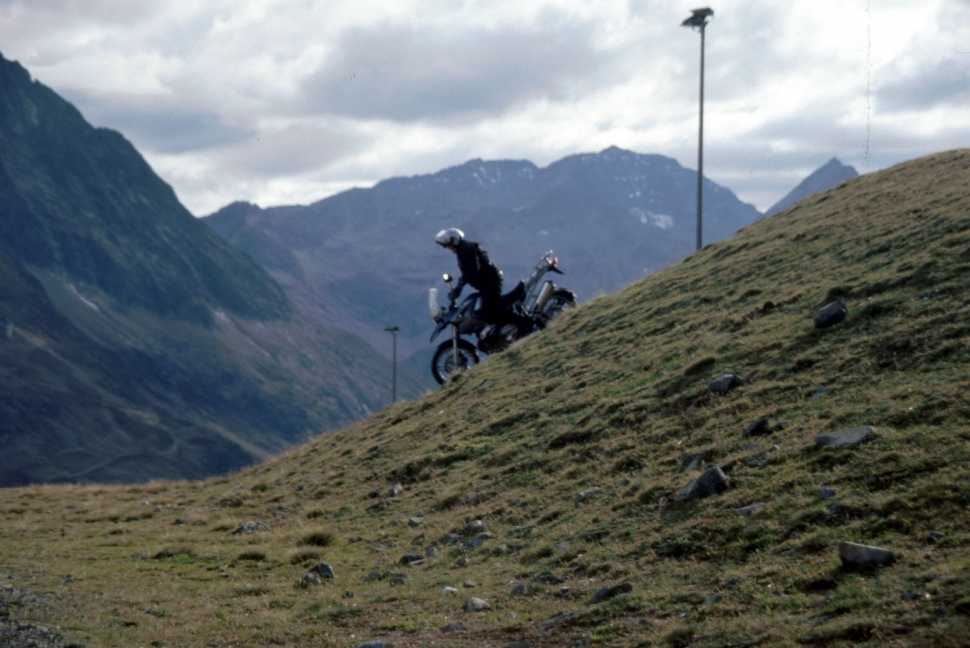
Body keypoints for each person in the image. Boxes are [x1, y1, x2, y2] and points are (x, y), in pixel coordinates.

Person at [434, 228, 536, 336]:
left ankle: (524, 322)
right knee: (484, 307)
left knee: (491, 310)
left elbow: (472, 270)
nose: (450, 249)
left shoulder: (466, 249)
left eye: (449, 245)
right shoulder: (464, 249)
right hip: (486, 282)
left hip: (490, 280)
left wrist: (459, 286)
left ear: (454, 240)